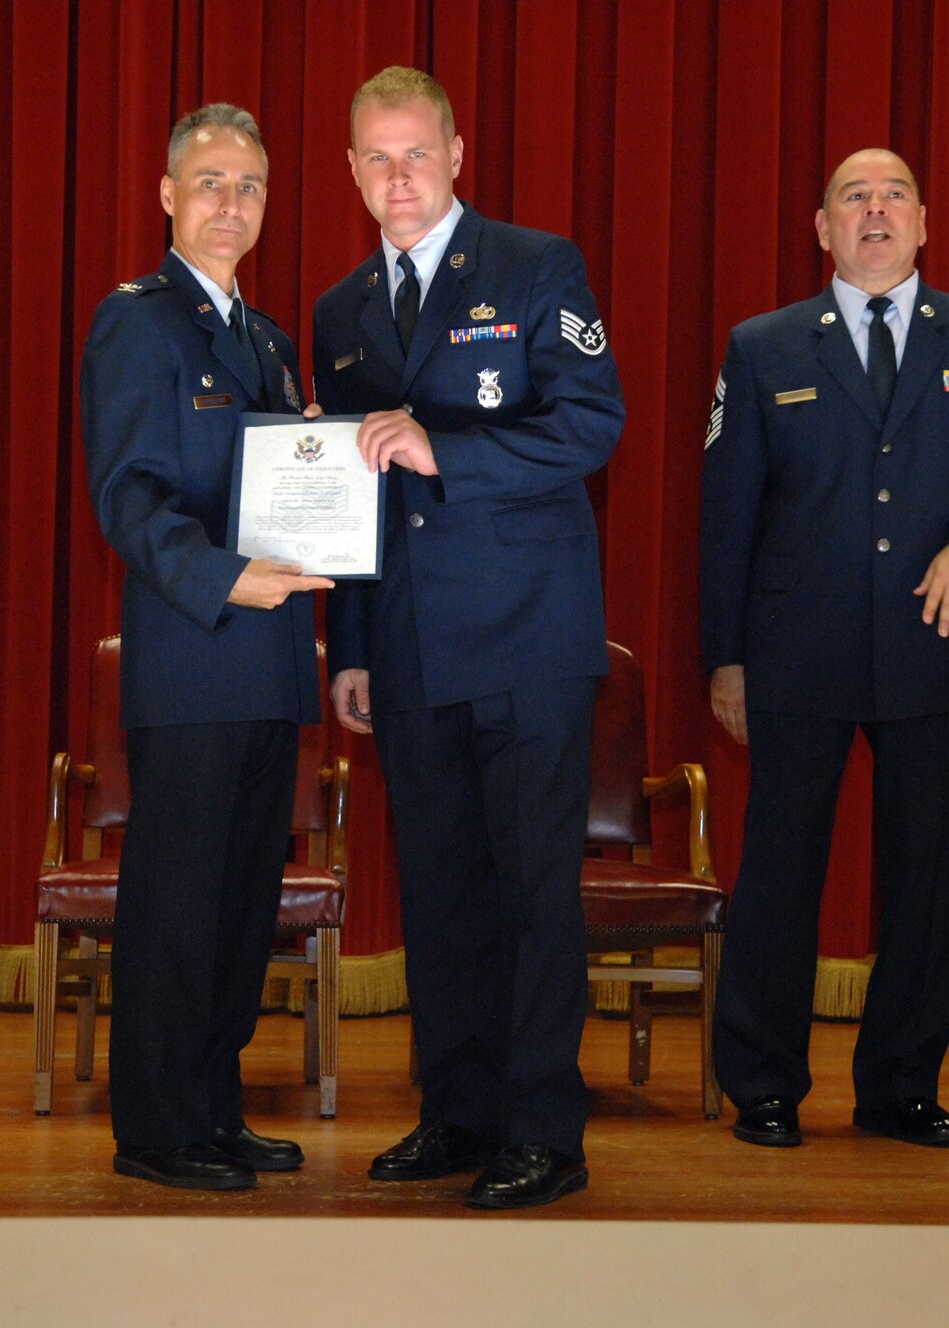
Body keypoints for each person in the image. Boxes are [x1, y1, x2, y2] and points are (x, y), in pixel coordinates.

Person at [314, 66, 624, 1209]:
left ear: (455, 152)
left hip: (526, 637)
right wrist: (348, 640)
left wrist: (449, 450)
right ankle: (455, 1110)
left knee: (533, 891)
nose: (398, 178)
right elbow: (346, 495)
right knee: (437, 892)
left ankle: (543, 1129)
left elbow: (593, 419)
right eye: (375, 159)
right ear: (350, 171)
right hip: (402, 648)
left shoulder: (536, 266)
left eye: (416, 153)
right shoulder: (338, 310)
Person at [700, 148, 949, 1150]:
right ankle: (763, 1081)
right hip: (794, 650)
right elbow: (725, 515)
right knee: (777, 873)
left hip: (935, 645)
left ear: (924, 222)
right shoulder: (763, 348)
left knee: (926, 876)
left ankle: (899, 1084)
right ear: (821, 230)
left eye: (892, 194)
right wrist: (723, 655)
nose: (873, 210)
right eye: (851, 196)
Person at [78, 103, 331, 1191]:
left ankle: (214, 1108)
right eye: (211, 182)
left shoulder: (269, 342)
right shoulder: (137, 322)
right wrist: (224, 572)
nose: (231, 203)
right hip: (191, 657)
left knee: (238, 910)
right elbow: (127, 497)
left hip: (270, 667)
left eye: (250, 186)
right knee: (177, 904)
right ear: (169, 197)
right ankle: (156, 1126)